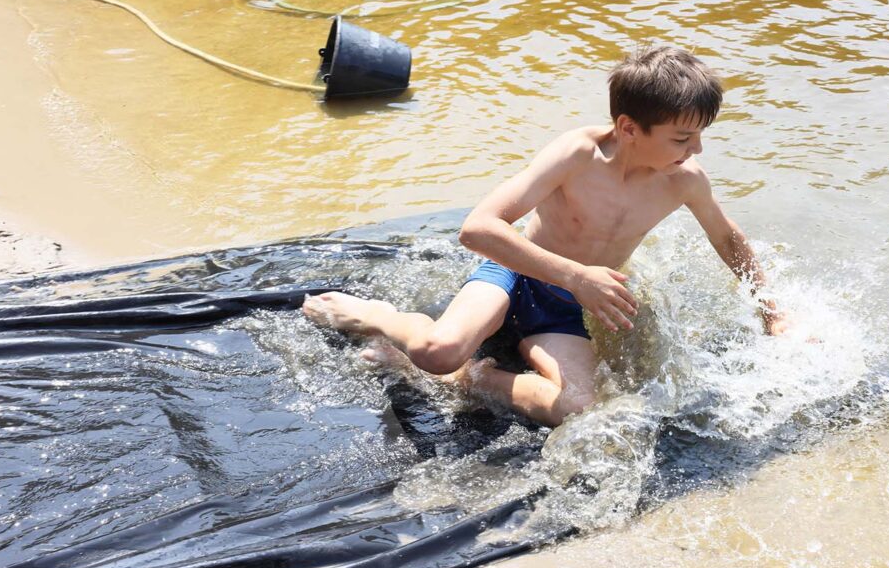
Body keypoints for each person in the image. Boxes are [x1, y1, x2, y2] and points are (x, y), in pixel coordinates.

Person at [303, 46, 789, 427]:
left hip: (566, 306)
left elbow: (728, 238)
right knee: (436, 352)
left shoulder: (684, 181)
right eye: (682, 138)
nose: (697, 148)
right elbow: (478, 228)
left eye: (700, 135)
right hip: (516, 274)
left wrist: (772, 311)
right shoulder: (578, 155)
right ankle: (384, 318)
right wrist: (577, 276)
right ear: (628, 127)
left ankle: (471, 378)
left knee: (579, 408)